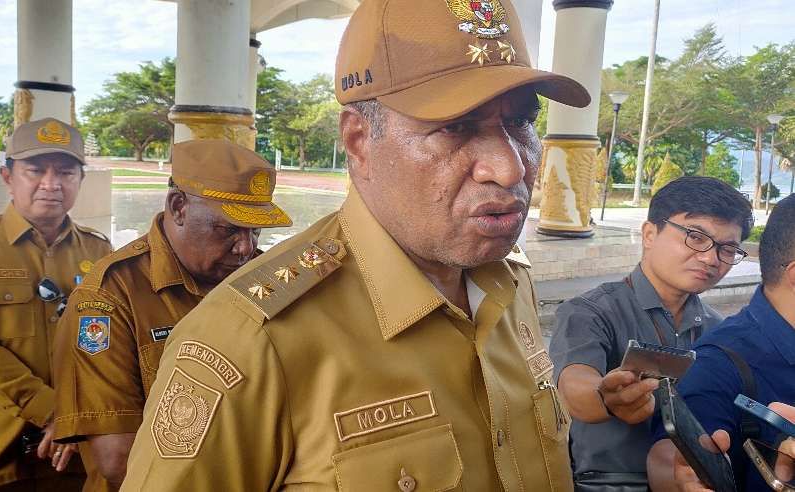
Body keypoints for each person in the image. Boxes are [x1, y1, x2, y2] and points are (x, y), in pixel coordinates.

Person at [120, 0, 592, 489]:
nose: (511, 168)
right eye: (456, 126)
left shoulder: (509, 283)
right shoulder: (249, 341)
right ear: (359, 140)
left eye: (521, 122)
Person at [51, 139, 291, 490]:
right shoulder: (109, 297)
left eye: (255, 230)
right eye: (228, 230)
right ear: (178, 207)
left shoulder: (262, 277)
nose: (245, 248)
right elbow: (119, 460)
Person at [0, 118, 112, 491]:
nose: (51, 183)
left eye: (65, 172)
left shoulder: (98, 251)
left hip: (75, 454)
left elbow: (108, 346)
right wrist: (51, 410)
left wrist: (83, 416)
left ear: (80, 180)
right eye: (35, 170)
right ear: (7, 177)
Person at [549, 176, 753, 490]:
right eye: (696, 237)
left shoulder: (719, 330)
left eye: (727, 249)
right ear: (649, 234)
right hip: (607, 484)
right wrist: (608, 397)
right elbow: (574, 386)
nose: (710, 258)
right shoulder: (589, 311)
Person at [647, 194, 795, 492]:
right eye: (696, 238)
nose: (709, 258)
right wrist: (682, 480)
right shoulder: (717, 364)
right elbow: (670, 459)